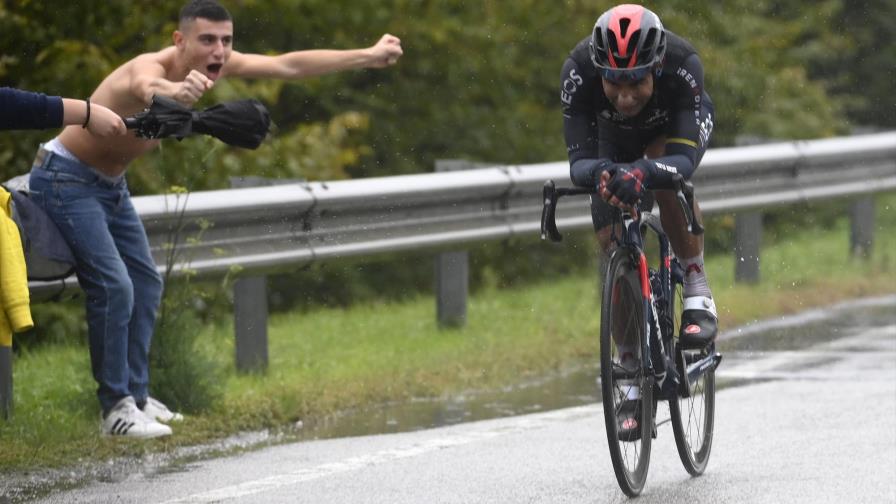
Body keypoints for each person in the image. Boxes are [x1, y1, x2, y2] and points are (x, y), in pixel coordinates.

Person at [27, 0, 403, 439]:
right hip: (66, 177)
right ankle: (115, 409)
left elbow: (288, 65)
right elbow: (148, 87)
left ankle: (138, 397)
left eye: (226, 40)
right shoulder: (149, 67)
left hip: (111, 185)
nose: (219, 50)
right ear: (180, 41)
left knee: (146, 283)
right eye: (207, 39)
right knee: (115, 287)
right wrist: (175, 92)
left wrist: (368, 55)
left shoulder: (218, 62)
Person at [560, 4, 716, 437]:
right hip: (612, 140)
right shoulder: (577, 71)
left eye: (636, 83)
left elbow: (682, 161)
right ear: (598, 71)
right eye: (614, 83)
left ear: (656, 68)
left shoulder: (683, 65)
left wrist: (645, 172)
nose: (625, 96)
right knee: (610, 234)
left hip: (671, 132)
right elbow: (579, 163)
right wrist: (603, 174)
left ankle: (696, 285)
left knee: (665, 177)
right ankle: (629, 368)